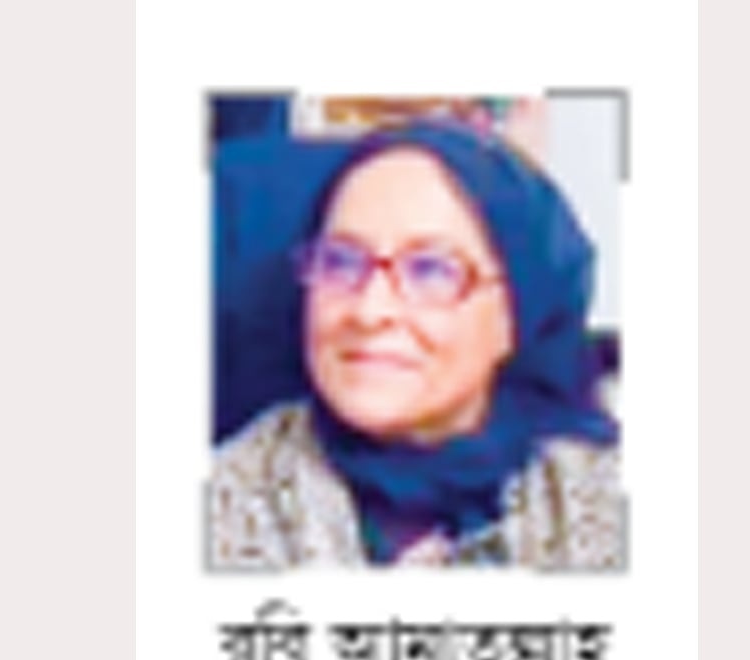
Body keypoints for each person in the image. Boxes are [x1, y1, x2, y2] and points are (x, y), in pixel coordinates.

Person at [207, 120, 624, 570]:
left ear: (517, 316)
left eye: (431, 271)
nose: (369, 311)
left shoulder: (608, 498)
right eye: (341, 262)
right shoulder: (220, 509)